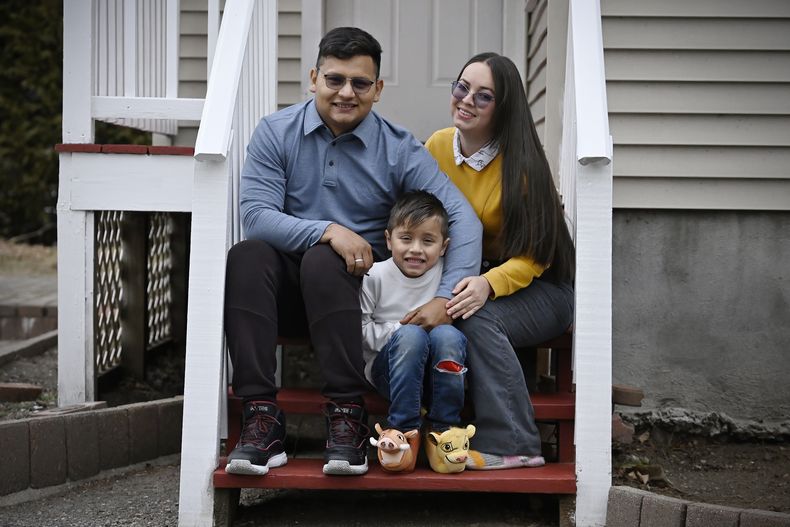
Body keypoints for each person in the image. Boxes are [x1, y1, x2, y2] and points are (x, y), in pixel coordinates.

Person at [223, 27, 481, 477]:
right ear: (313, 79)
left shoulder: (398, 148)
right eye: (334, 79)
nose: (346, 92)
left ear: (377, 90)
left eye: (360, 83)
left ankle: (346, 415)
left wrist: (444, 298)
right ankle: (261, 417)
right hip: (286, 296)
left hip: (355, 303)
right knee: (247, 255)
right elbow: (257, 216)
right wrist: (328, 230)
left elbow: (462, 217)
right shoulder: (276, 132)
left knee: (327, 261)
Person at [425, 52, 575, 470]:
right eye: (462, 87)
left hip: (542, 286)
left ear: (503, 108)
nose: (467, 100)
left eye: (484, 96)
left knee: (475, 315)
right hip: (475, 277)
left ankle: (515, 444)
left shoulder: (523, 164)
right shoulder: (437, 145)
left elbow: (536, 256)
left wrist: (489, 284)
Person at [361, 191, 468, 471]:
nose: (416, 249)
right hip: (388, 372)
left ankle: (445, 432)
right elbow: (361, 332)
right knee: (412, 335)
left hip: (435, 378)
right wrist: (403, 329)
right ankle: (403, 430)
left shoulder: (448, 276)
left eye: (428, 241)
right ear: (388, 239)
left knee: (449, 335)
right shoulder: (375, 276)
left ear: (444, 247)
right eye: (406, 238)